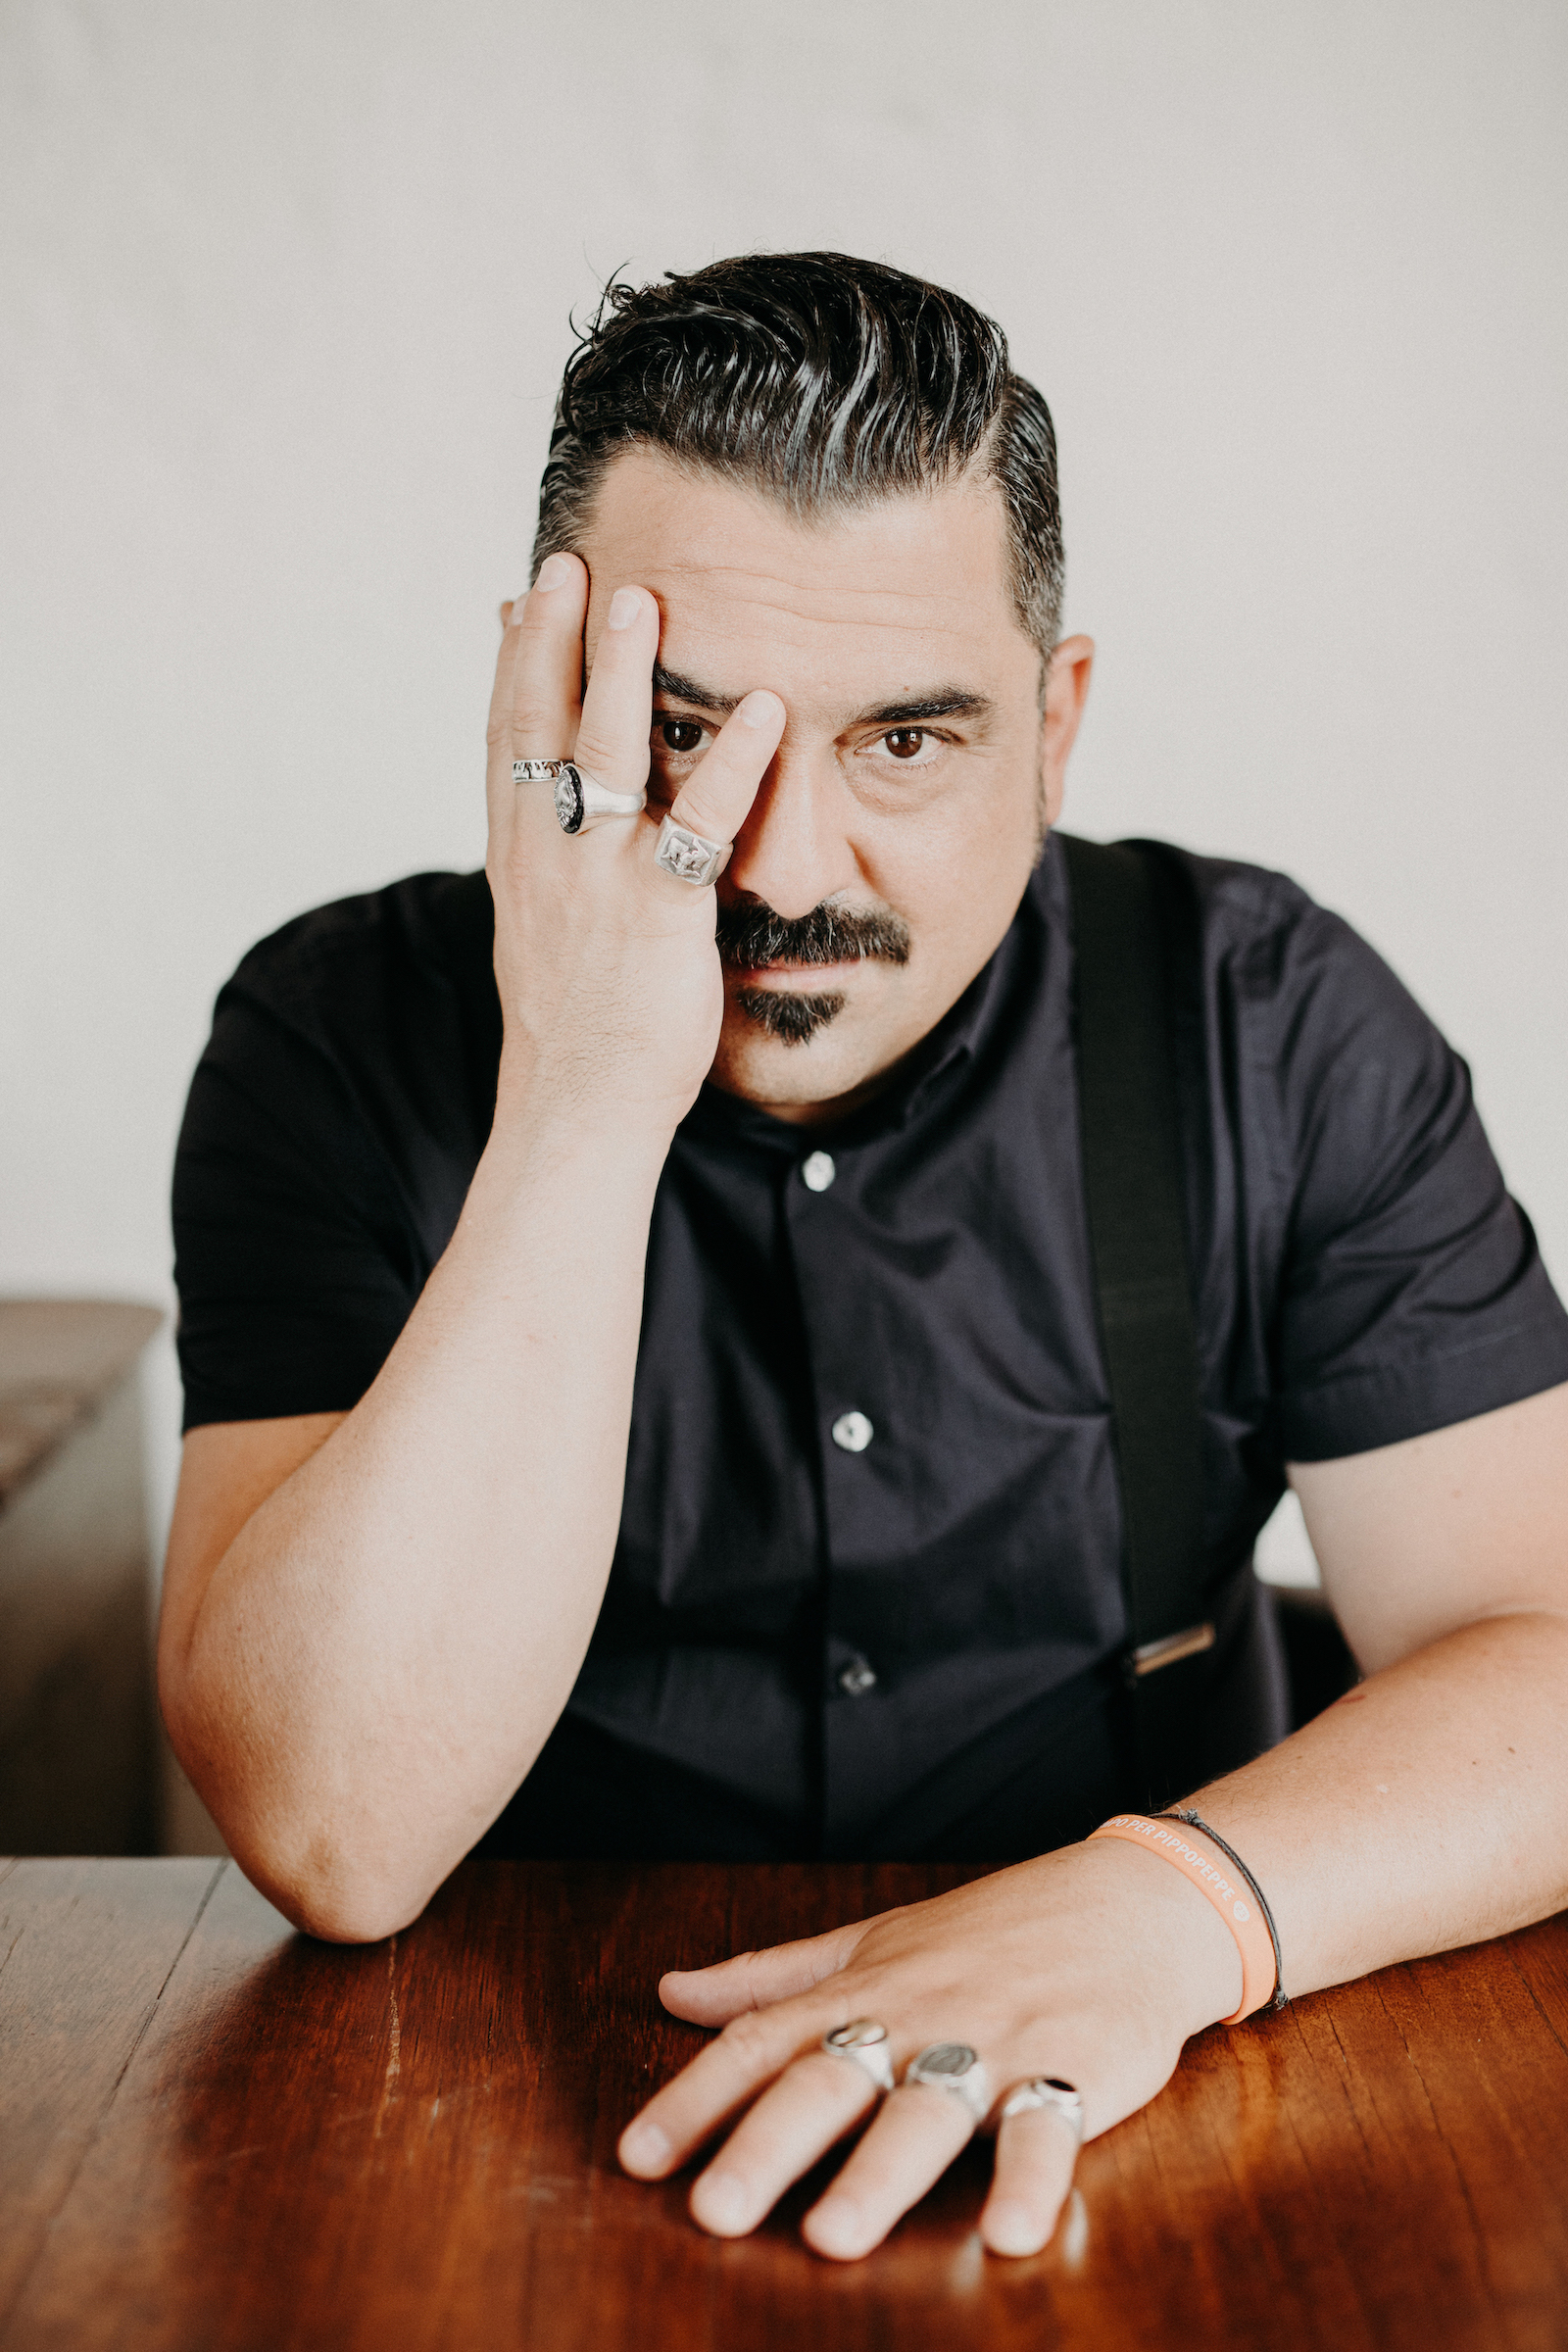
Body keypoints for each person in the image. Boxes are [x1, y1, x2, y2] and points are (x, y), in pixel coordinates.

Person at [159, 252, 1568, 2265]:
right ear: (542, 702)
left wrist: (1176, 1907)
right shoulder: (333, 1037)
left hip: (1156, 2103)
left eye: (903, 743)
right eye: (680, 736)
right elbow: (335, 1833)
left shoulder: (1266, 1021)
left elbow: (1544, 1656)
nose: (781, 866)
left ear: (1055, 726)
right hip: (501, 2131)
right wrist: (582, 1094)